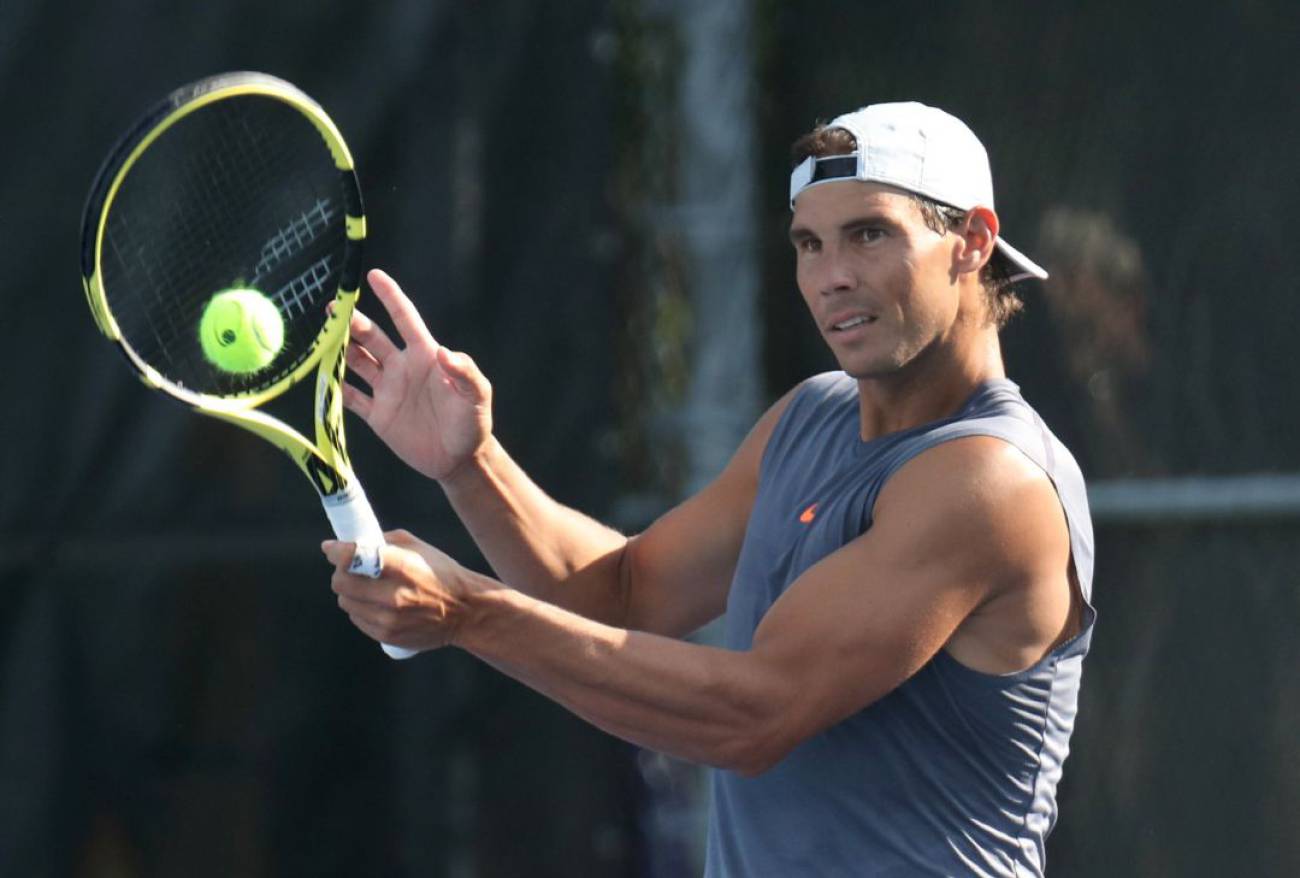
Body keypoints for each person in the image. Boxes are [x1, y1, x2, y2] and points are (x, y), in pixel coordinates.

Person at [322, 101, 1095, 877]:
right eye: (809, 244)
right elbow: (623, 597)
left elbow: (752, 715)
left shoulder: (991, 481)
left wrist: (468, 613)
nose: (831, 277)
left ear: (972, 243)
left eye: (869, 233)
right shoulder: (810, 416)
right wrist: (472, 464)